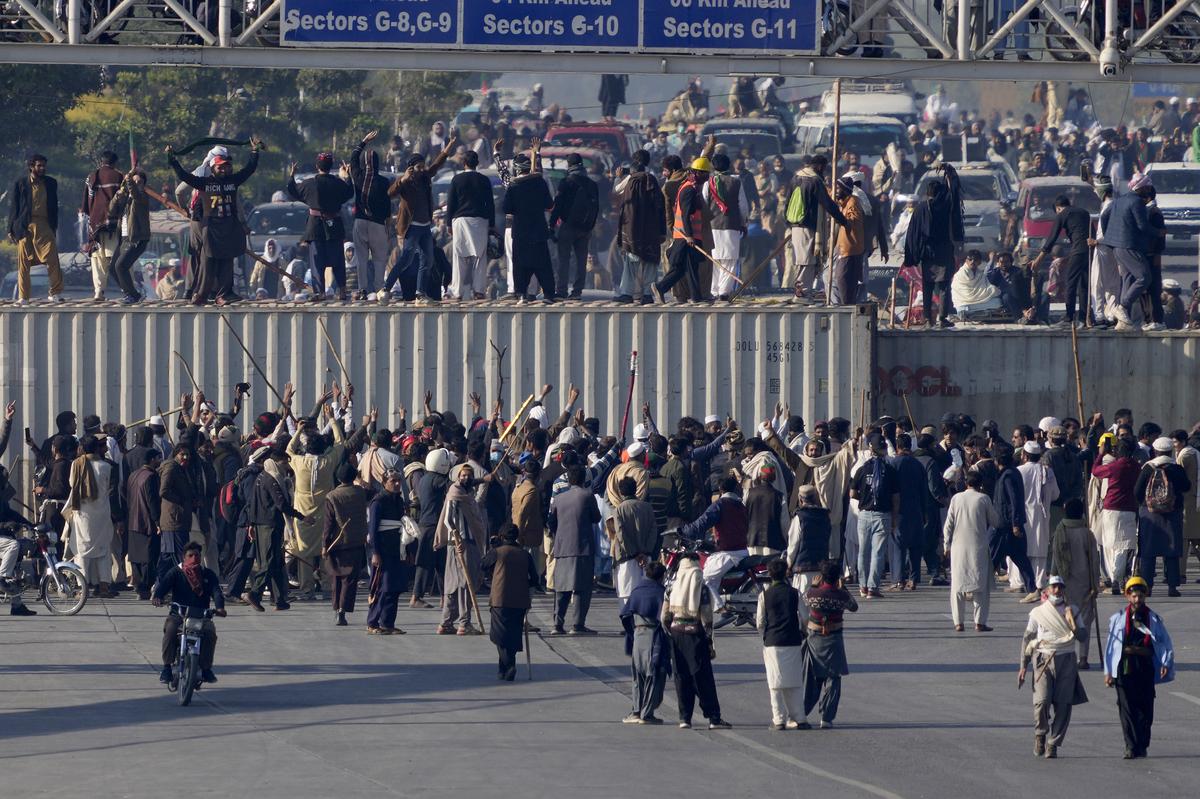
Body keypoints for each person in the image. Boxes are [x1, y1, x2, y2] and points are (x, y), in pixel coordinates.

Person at [167, 139, 262, 306]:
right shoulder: (204, 182)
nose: (224, 170)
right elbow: (183, 176)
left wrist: (255, 152)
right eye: (220, 167)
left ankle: (224, 294)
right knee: (208, 262)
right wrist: (173, 159)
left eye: (226, 166)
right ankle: (201, 294)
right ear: (212, 168)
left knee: (227, 261)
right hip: (211, 228)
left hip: (229, 227)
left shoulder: (233, 181)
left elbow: (249, 169)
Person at [1103, 576, 1175, 759]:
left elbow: (1165, 642)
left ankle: (1142, 744)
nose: (1137, 600)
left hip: (1145, 666)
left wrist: (1166, 662)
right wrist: (1108, 672)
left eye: (1140, 597)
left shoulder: (1154, 619)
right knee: (1126, 708)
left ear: (1145, 597)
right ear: (1128, 596)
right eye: (1134, 596)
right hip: (1125, 667)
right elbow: (1111, 647)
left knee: (1146, 709)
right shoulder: (1118, 619)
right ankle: (1130, 746)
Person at [1018, 575, 1087, 759]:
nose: (1057, 591)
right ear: (1047, 590)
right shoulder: (1038, 613)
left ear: (1063, 590)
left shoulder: (1073, 610)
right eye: (1053, 587)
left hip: (1067, 660)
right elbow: (1027, 639)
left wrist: (1072, 624)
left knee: (1064, 705)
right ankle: (1040, 733)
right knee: (1041, 701)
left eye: (1060, 587)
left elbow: (1082, 637)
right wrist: (1023, 666)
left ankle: (1053, 743)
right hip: (1043, 658)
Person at [382, 134, 457, 303]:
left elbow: (436, 165)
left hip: (424, 227)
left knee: (427, 260)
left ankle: (420, 294)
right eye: (418, 167)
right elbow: (390, 193)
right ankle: (386, 289)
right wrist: (403, 179)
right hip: (411, 227)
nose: (422, 169)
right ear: (411, 168)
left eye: (423, 166)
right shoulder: (406, 182)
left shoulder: (425, 178)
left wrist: (448, 147)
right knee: (406, 259)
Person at [661, 551, 731, 730]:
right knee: (703, 677)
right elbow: (707, 618)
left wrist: (672, 633)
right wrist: (709, 642)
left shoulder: (671, 587)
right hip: (695, 635)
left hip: (676, 636)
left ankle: (685, 718)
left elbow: (664, 617)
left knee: (681, 677)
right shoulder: (702, 588)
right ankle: (714, 718)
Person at [153, 541, 226, 685]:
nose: (194, 558)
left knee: (210, 634)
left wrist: (220, 607)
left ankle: (206, 669)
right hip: (178, 615)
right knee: (170, 631)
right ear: (184, 557)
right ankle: (167, 668)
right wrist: (157, 597)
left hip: (201, 616)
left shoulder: (208, 574)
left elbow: (217, 592)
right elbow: (163, 586)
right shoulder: (175, 572)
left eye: (197, 555)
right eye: (190, 555)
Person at [242, 444, 303, 612]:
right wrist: (302, 517)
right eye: (284, 463)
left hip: (263, 525)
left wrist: (252, 524)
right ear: (276, 463)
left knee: (276, 562)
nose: (287, 467)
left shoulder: (262, 477)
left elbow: (252, 505)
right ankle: (254, 594)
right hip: (270, 527)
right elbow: (282, 504)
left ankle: (279, 599)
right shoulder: (272, 479)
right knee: (268, 562)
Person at [903, 163, 964, 328]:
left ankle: (928, 319)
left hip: (927, 252)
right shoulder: (945, 205)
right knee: (944, 286)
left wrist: (911, 255)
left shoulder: (920, 209)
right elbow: (954, 191)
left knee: (927, 285)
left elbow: (912, 234)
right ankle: (942, 318)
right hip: (943, 250)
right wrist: (948, 170)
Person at [800, 559, 858, 729]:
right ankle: (827, 716)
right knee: (834, 677)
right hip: (834, 638)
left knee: (813, 677)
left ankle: (802, 711)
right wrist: (843, 587)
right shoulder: (841, 596)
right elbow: (854, 607)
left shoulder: (812, 594)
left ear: (822, 576)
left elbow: (804, 599)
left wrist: (814, 586)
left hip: (814, 638)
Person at [287, 153, 354, 300]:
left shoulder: (309, 183)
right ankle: (342, 290)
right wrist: (347, 177)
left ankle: (320, 292)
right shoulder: (338, 183)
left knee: (317, 260)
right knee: (337, 259)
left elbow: (293, 190)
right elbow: (349, 192)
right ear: (331, 166)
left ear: (317, 166)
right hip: (334, 225)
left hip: (315, 225)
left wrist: (292, 176)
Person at [679, 475, 749, 613]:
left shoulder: (720, 505)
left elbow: (701, 523)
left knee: (705, 579)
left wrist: (683, 531)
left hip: (728, 553)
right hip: (742, 550)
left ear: (720, 489)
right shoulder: (740, 505)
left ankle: (720, 608)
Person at [1133, 436, 1191, 596]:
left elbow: (1137, 491)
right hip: (1172, 514)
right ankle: (1172, 587)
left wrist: (1144, 504)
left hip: (1150, 515)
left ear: (1155, 451)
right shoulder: (1176, 468)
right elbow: (1187, 486)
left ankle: (1147, 587)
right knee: (1172, 550)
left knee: (1148, 551)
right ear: (1170, 450)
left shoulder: (1148, 467)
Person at [944, 469, 999, 631]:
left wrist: (946, 545)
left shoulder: (956, 498)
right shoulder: (984, 499)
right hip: (978, 547)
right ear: (980, 484)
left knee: (957, 586)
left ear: (966, 483)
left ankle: (958, 622)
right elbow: (995, 521)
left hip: (958, 548)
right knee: (980, 586)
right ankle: (979, 622)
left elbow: (948, 525)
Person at [480, 524, 538, 681]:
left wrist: (492, 548)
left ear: (501, 536)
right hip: (520, 600)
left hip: (500, 599)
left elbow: (482, 565)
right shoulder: (525, 554)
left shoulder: (498, 552)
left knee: (499, 635)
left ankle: (509, 665)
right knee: (512, 635)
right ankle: (503, 669)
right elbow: (535, 579)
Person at [1048, 498, 1101, 668]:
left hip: (1064, 583)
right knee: (1084, 621)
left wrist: (1052, 580)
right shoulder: (1087, 533)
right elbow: (1094, 561)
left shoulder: (1059, 531)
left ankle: (1066, 656)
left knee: (1065, 620)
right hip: (1085, 582)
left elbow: (1056, 559)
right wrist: (1096, 584)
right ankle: (1083, 658)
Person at [548, 465, 602, 634]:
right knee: (582, 587)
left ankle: (558, 624)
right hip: (582, 547)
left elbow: (551, 522)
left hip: (562, 547)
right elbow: (596, 517)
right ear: (583, 479)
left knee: (561, 588)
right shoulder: (587, 496)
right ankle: (578, 624)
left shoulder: (558, 499)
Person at [433, 463, 485, 635]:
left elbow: (475, 482)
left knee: (456, 584)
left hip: (468, 543)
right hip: (459, 545)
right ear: (457, 477)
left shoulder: (466, 492)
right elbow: (448, 519)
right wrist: (456, 536)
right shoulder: (455, 494)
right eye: (462, 475)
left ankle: (446, 623)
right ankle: (464, 623)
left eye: (468, 475)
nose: (466, 478)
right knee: (463, 584)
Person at [785, 154, 846, 301]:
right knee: (808, 260)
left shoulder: (795, 178)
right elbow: (827, 203)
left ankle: (801, 291)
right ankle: (802, 293)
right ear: (819, 166)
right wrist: (843, 220)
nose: (824, 172)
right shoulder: (814, 180)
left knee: (801, 259)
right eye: (824, 169)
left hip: (795, 225)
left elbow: (787, 202)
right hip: (808, 225)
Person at [652, 156, 711, 305]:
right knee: (690, 266)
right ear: (697, 173)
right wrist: (690, 236)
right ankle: (696, 297)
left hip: (687, 235)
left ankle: (660, 287)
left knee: (682, 267)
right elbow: (685, 214)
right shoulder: (689, 190)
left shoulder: (692, 188)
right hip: (685, 236)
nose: (707, 177)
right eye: (705, 174)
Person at [1101, 173, 1157, 330]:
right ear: (1142, 188)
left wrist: (1108, 236)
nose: (1149, 189)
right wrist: (1158, 232)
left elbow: (1104, 216)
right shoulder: (1137, 202)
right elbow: (1143, 226)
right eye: (1148, 187)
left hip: (1116, 246)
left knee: (1128, 279)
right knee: (1144, 277)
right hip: (1129, 245)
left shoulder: (1120, 200)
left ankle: (1123, 321)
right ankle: (1122, 306)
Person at [503, 146, 557, 304]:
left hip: (520, 232)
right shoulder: (539, 182)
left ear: (517, 170)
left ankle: (521, 295)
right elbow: (549, 205)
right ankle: (548, 295)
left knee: (520, 266)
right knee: (543, 264)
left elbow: (507, 209)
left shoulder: (513, 186)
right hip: (539, 231)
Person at [7, 152, 64, 303]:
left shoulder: (51, 183)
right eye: (39, 166)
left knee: (52, 258)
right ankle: (23, 297)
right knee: (24, 262)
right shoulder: (20, 183)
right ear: (31, 167)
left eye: (44, 166)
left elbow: (54, 207)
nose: (42, 168)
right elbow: (14, 207)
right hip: (25, 225)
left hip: (45, 224)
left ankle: (55, 293)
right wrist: (10, 229)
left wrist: (54, 227)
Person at [757, 558, 807, 730]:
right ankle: (800, 718)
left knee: (775, 682)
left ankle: (778, 720)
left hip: (772, 642)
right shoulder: (795, 593)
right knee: (794, 681)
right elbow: (805, 616)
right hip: (792, 640)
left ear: (770, 574)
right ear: (786, 572)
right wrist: (803, 631)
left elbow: (760, 622)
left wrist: (764, 635)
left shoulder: (764, 595)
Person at [66, 435, 118, 598]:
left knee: (82, 551)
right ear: (97, 448)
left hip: (83, 514)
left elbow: (71, 484)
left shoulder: (76, 464)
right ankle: (104, 587)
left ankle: (83, 589)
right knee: (103, 550)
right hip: (102, 513)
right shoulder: (106, 466)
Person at [849, 434, 899, 598]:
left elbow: (852, 493)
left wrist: (864, 497)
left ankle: (862, 586)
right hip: (883, 514)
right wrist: (894, 517)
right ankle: (873, 587)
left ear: (870, 449)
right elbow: (895, 497)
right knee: (878, 552)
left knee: (863, 551)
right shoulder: (890, 471)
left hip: (864, 514)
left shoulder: (862, 470)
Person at [614, 149, 665, 304]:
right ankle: (648, 295)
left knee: (630, 263)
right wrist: (662, 230)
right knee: (650, 262)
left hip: (631, 230)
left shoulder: (629, 181)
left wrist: (618, 178)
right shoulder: (652, 180)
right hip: (651, 229)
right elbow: (660, 206)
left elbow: (616, 193)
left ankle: (627, 294)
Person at [1032, 194, 1091, 327]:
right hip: (1090, 251)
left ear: (1058, 208)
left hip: (1078, 250)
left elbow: (1052, 238)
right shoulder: (1084, 212)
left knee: (1070, 283)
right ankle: (1084, 318)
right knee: (1084, 285)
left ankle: (1068, 318)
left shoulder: (1062, 214)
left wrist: (1039, 259)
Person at [990, 443, 1039, 603]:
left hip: (1005, 525)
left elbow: (1014, 501)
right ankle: (1032, 589)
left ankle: (977, 588)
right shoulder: (1011, 472)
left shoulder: (1008, 476)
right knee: (1019, 558)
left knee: (991, 557)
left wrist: (1015, 523)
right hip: (1008, 524)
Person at [1092, 437, 1141, 593]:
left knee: (1110, 545)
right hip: (1130, 509)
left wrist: (1100, 455)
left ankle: (1114, 577)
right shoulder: (1136, 467)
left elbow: (1095, 471)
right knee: (1124, 545)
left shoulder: (1114, 466)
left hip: (1112, 508)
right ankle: (1118, 578)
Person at [365, 468, 411, 635]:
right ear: (384, 483)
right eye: (393, 481)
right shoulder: (378, 502)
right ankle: (373, 622)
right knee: (381, 587)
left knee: (394, 587)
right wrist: (375, 553)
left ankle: (388, 623)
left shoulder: (399, 501)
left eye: (399, 480)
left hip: (397, 548)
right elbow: (373, 529)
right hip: (382, 550)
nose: (397, 484)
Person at [549, 152, 600, 299]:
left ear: (569, 165)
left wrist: (551, 225)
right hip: (585, 228)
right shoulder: (592, 184)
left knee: (563, 259)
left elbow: (557, 206)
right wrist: (590, 225)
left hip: (568, 226)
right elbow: (596, 208)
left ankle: (562, 290)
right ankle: (577, 291)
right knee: (581, 260)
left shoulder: (566, 182)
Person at [446, 149, 495, 301]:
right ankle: (479, 291)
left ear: (464, 163)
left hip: (460, 221)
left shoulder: (457, 179)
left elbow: (451, 204)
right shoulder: (484, 180)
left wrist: (449, 224)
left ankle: (456, 291)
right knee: (480, 257)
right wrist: (491, 224)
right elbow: (490, 204)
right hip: (480, 221)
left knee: (459, 256)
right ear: (477, 163)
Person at [349, 130, 392, 298]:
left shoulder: (358, 176)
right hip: (378, 224)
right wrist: (389, 225)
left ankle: (363, 289)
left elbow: (353, 157)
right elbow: (387, 206)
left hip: (360, 222)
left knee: (361, 258)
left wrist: (364, 141)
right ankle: (379, 289)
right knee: (379, 259)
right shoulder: (383, 181)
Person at [701, 153, 749, 301]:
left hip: (711, 226)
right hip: (731, 225)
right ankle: (724, 292)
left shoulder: (708, 182)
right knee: (729, 260)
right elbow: (743, 206)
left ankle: (714, 291)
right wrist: (744, 223)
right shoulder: (736, 181)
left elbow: (703, 204)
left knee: (714, 260)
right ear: (728, 165)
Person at [81, 150, 124, 302]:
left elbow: (86, 205)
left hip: (95, 224)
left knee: (97, 258)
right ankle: (127, 289)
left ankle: (99, 292)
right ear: (114, 163)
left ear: (101, 162)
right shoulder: (119, 177)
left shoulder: (91, 177)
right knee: (119, 259)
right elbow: (123, 201)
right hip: (114, 224)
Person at [1018, 441, 1060, 592]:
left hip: (1023, 515)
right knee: (1041, 549)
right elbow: (1056, 495)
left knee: (1024, 548)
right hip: (1043, 514)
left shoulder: (1019, 471)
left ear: (1025, 455)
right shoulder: (1048, 471)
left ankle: (1024, 582)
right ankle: (1040, 583)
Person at [609, 475, 658, 602]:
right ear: (635, 489)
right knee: (646, 595)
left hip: (626, 559)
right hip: (646, 558)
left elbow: (621, 535)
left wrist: (634, 553)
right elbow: (654, 531)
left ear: (620, 491)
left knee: (626, 596)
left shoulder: (618, 510)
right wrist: (645, 552)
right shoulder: (647, 507)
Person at [106, 167, 151, 305]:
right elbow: (111, 210)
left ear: (143, 185)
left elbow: (136, 194)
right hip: (125, 238)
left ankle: (133, 295)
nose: (137, 184)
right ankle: (130, 292)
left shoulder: (142, 197)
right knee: (112, 267)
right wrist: (120, 192)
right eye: (134, 182)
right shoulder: (126, 197)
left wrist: (129, 181)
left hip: (137, 238)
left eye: (139, 182)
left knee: (121, 266)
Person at [124, 447, 162, 601]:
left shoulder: (133, 475)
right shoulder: (151, 477)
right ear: (152, 460)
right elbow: (152, 502)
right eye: (158, 459)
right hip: (146, 522)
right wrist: (157, 521)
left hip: (133, 521)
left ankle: (139, 587)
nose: (159, 461)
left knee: (135, 557)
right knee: (148, 558)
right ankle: (145, 588)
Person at [786, 484, 831, 593]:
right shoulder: (825, 516)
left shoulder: (799, 517)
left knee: (803, 606)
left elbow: (793, 544)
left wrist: (788, 564)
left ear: (800, 499)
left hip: (803, 567)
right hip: (821, 568)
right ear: (816, 498)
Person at [830, 176, 866, 305]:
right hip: (847, 248)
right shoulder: (845, 202)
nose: (836, 191)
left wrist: (840, 217)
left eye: (838, 188)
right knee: (843, 280)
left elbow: (852, 222)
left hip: (849, 249)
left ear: (845, 190)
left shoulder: (853, 202)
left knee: (842, 279)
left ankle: (847, 308)